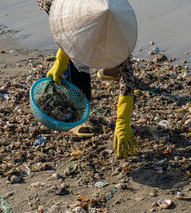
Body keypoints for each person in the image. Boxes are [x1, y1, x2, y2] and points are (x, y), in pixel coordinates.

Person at [38, 0, 139, 158]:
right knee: (78, 47)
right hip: (59, 3)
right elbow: (68, 34)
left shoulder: (112, 8)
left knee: (108, 30)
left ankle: (110, 64)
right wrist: (61, 61)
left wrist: (123, 121)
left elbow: (127, 76)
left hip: (103, 9)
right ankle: (78, 105)